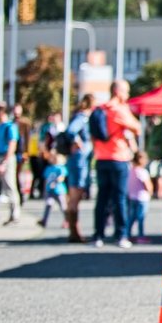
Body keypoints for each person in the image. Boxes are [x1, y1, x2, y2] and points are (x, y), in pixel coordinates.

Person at [92, 80, 142, 248]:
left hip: (100, 159)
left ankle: (98, 235)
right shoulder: (118, 110)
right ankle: (121, 235)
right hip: (118, 158)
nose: (127, 95)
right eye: (126, 92)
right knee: (120, 198)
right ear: (118, 91)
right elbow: (137, 128)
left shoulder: (99, 109)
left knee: (102, 198)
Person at [64, 95, 94, 243]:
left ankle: (74, 230)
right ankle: (74, 231)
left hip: (79, 160)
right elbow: (70, 131)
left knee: (75, 197)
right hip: (79, 161)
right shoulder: (82, 118)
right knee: (75, 196)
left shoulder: (81, 117)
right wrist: (78, 142)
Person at [125, 151, 152, 246]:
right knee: (141, 217)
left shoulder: (130, 171)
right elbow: (147, 186)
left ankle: (126, 234)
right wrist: (151, 192)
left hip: (132, 197)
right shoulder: (142, 171)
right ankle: (140, 235)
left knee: (131, 217)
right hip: (142, 198)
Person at [38, 149, 67, 228]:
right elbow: (46, 180)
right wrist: (45, 190)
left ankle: (67, 220)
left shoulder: (60, 168)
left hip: (59, 190)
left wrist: (56, 182)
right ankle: (44, 220)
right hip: (49, 190)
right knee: (48, 204)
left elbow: (62, 177)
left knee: (63, 206)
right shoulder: (48, 168)